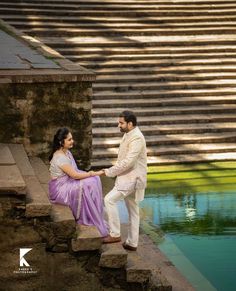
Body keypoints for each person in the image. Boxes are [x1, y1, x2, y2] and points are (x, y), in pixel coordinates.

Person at [48, 127, 108, 237]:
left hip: (67, 181)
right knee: (89, 183)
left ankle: (94, 213)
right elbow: (75, 175)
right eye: (69, 140)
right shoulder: (60, 157)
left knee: (95, 180)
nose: (72, 141)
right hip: (60, 189)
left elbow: (75, 172)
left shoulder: (66, 153)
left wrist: (92, 175)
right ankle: (89, 215)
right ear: (62, 142)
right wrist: (91, 173)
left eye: (72, 139)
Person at [102, 110, 147, 251]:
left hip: (132, 179)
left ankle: (115, 233)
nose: (118, 125)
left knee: (109, 200)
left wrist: (109, 171)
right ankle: (132, 243)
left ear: (130, 123)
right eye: (119, 122)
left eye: (121, 123)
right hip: (128, 177)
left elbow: (129, 162)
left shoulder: (137, 138)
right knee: (133, 211)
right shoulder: (129, 134)